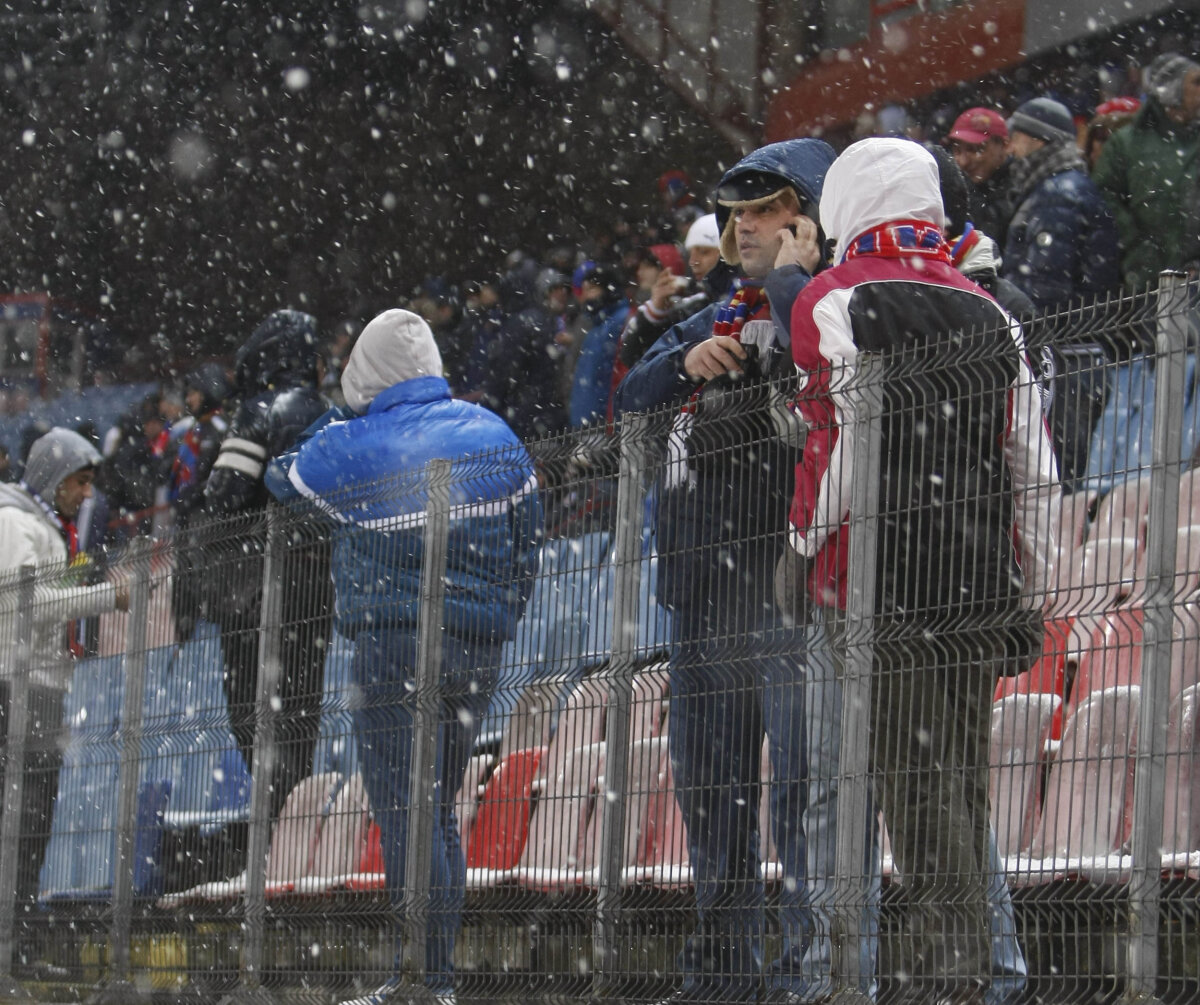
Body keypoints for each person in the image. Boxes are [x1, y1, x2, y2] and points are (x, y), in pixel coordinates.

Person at [780, 138, 1059, 1005]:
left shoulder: (833, 298)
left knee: (912, 798)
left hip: (880, 586)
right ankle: (977, 978)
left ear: (843, 207)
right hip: (977, 582)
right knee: (958, 795)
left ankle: (963, 985)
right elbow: (1035, 465)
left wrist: (799, 546)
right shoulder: (990, 308)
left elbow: (843, 448)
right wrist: (1039, 588)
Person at [266, 309, 542, 1005]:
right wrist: (499, 616)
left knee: (405, 813)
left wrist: (336, 414)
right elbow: (528, 537)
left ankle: (420, 978)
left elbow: (282, 476)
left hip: (394, 643)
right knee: (438, 810)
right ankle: (431, 978)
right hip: (478, 646)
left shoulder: (355, 440)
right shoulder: (494, 432)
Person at [616, 137, 836, 1005]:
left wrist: (791, 283)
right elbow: (625, 398)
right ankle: (721, 976)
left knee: (802, 798)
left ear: (807, 216)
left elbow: (827, 369)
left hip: (785, 586)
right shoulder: (712, 311)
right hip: (704, 595)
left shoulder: (820, 300)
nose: (744, 226)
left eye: (766, 209)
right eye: (736, 213)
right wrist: (684, 361)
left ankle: (801, 974)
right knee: (713, 800)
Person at [201, 310, 333, 826]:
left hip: (256, 585)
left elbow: (224, 497)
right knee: (302, 711)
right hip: (319, 582)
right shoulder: (333, 412)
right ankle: (293, 825)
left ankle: (273, 824)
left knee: (252, 713)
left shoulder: (259, 410)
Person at [0, 428, 130, 904]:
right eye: (79, 481)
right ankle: (11, 930)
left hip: (38, 685)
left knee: (33, 815)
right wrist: (104, 597)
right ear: (52, 478)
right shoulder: (15, 522)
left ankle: (16, 927)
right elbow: (22, 603)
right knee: (22, 813)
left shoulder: (45, 525)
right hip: (15, 686)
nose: (87, 493)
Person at [1001, 96, 1120, 312]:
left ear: (1039, 140)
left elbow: (1045, 285)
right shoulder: (1059, 187)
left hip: (1060, 336)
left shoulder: (1056, 196)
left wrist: (1024, 330)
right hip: (1076, 331)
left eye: (1016, 137)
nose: (1011, 149)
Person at [1093, 52, 1200, 287]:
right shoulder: (1126, 143)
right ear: (1171, 88)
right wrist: (1138, 248)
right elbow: (1104, 198)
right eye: (1196, 82)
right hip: (1144, 282)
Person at [946, 106, 1014, 247]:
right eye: (957, 151)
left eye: (975, 149)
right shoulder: (951, 189)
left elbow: (989, 240)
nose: (963, 162)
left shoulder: (1020, 187)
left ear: (1005, 146)